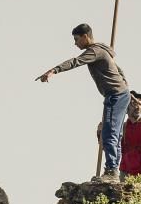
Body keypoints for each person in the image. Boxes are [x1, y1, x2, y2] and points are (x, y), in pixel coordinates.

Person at [36, 23, 130, 183]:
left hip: (115, 96)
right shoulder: (103, 50)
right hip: (119, 94)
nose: (75, 43)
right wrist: (125, 88)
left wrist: (53, 71)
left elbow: (75, 62)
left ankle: (112, 171)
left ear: (85, 36)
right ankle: (113, 169)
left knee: (109, 134)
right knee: (115, 133)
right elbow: (119, 70)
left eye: (76, 39)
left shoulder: (94, 51)